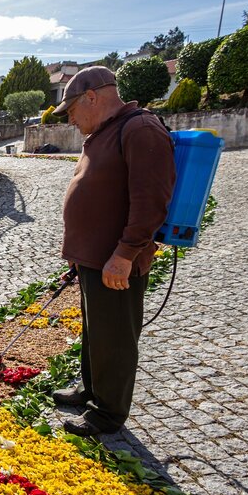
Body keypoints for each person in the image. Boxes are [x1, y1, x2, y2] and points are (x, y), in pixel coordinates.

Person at [51, 66, 175, 437]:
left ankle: (108, 413)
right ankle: (92, 390)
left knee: (115, 338)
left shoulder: (139, 128)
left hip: (115, 261)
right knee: (96, 332)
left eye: (72, 109)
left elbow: (151, 200)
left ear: (92, 97)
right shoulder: (105, 132)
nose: (70, 119)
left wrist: (124, 254)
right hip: (93, 258)